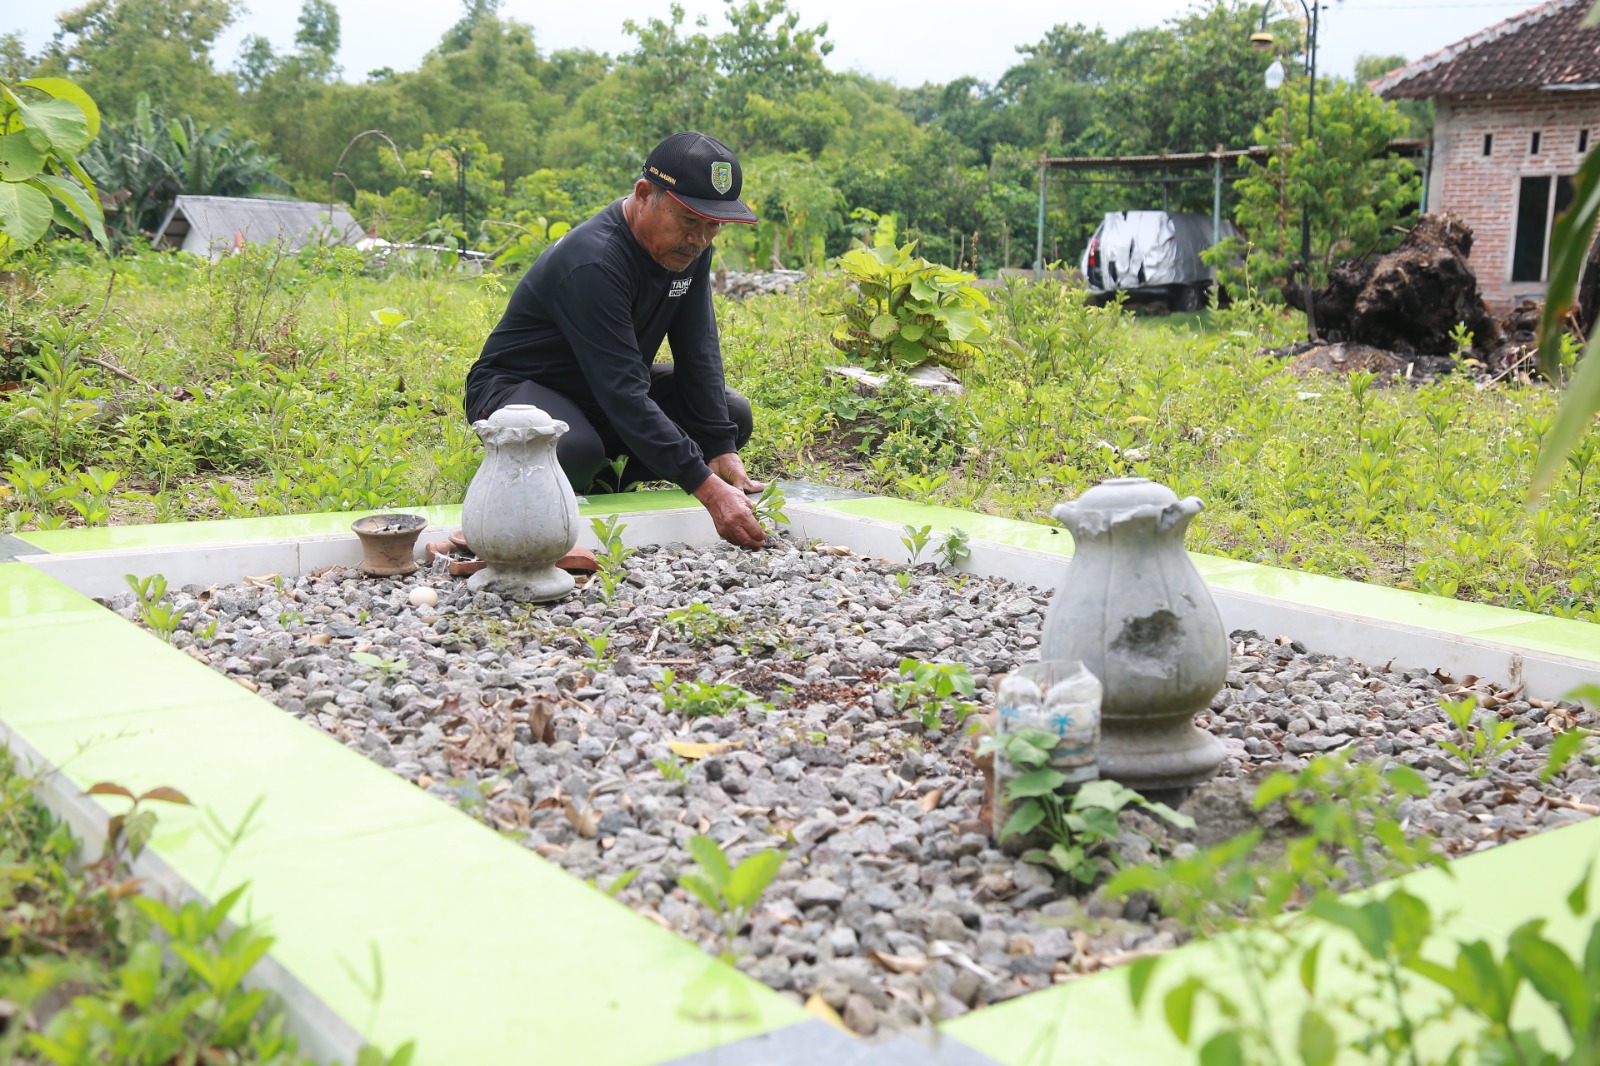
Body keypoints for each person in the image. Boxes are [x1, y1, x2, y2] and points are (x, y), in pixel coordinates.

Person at [465, 131, 767, 548]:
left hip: (600, 395)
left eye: (712, 224)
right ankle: (554, 470)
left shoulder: (688, 250)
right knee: (569, 450)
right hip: (521, 389)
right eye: (689, 220)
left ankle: (604, 473)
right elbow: (625, 392)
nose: (700, 238)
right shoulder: (595, 261)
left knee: (730, 417)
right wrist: (706, 487)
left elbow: (698, 349)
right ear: (644, 195)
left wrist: (719, 446)